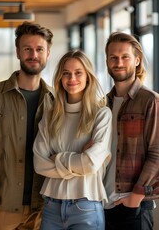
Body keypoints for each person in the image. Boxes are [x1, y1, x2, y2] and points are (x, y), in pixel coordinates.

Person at [33, 49, 112, 230]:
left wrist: (58, 158)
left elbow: (91, 163)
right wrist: (79, 158)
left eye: (78, 73)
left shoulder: (101, 115)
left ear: (88, 77)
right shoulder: (50, 116)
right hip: (51, 208)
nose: (72, 78)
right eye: (66, 73)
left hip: (86, 208)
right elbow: (39, 164)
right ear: (60, 78)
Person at [0, 21, 54, 230]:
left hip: (45, 208)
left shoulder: (58, 101)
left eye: (39, 49)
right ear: (17, 52)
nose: (33, 54)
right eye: (27, 49)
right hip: (2, 206)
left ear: (48, 53)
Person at [104, 31, 159, 230]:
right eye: (113, 57)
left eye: (125, 57)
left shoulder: (150, 101)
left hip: (133, 206)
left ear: (137, 60)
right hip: (103, 204)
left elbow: (157, 153)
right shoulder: (104, 104)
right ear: (107, 61)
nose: (118, 62)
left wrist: (135, 197)